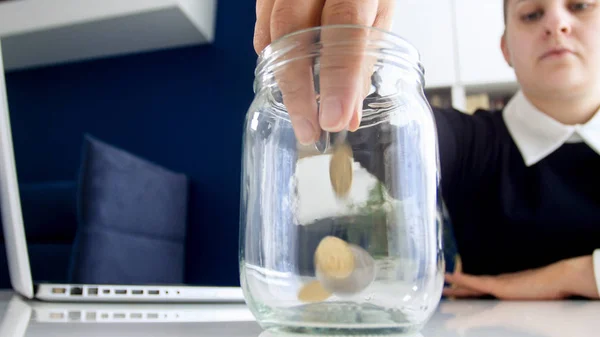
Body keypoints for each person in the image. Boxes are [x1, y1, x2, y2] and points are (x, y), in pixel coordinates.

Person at [253, 0, 600, 300]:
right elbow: (393, 137)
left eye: (580, 5)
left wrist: (570, 276)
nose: (557, 23)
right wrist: (343, 66)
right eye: (531, 14)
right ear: (506, 48)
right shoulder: (470, 141)